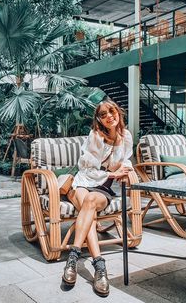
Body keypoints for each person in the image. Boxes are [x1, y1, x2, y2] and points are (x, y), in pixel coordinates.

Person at [62, 99, 133, 297]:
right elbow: (87, 169)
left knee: (91, 202)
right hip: (83, 183)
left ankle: (73, 257)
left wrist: (124, 169)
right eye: (103, 114)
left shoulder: (126, 136)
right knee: (89, 209)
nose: (109, 116)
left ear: (118, 113)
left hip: (103, 189)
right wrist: (113, 174)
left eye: (111, 111)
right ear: (99, 120)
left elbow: (126, 161)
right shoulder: (95, 136)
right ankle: (99, 268)